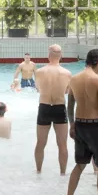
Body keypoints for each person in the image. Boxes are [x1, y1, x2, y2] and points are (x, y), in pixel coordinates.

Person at [63, 48, 98, 195]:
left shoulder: (74, 79)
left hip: (79, 125)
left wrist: (72, 124)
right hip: (95, 127)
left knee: (79, 165)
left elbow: (70, 105)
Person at [34, 44, 72, 175]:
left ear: (48, 56)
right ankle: (62, 173)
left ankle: (38, 171)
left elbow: (38, 88)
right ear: (61, 56)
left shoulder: (39, 72)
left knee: (40, 142)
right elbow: (67, 91)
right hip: (59, 108)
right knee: (62, 144)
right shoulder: (67, 73)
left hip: (44, 107)